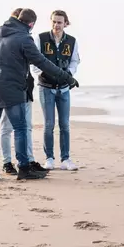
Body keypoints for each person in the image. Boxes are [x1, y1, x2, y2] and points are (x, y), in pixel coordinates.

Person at [0, 8, 79, 182]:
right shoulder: (24, 39)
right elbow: (42, 62)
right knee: (21, 128)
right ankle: (24, 168)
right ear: (31, 24)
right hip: (10, 90)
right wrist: (66, 78)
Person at [32, 10, 81, 171]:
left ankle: (66, 159)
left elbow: (75, 61)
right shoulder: (41, 38)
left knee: (65, 125)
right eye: (54, 21)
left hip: (64, 89)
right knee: (48, 124)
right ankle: (49, 159)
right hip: (46, 87)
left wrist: (69, 74)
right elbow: (34, 61)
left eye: (59, 22)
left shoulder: (72, 41)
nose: (56, 25)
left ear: (65, 23)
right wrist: (44, 74)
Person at [0, 8, 45, 175]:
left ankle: (28, 160)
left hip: (26, 87)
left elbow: (33, 61)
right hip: (9, 88)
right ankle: (7, 162)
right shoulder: (4, 38)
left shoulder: (24, 38)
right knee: (7, 126)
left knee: (26, 127)